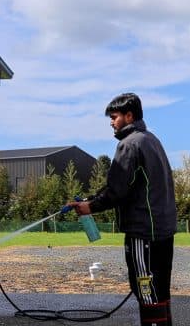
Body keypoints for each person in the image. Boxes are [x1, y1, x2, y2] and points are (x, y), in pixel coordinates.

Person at [68, 93, 177, 326]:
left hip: (144, 232)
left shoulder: (129, 145)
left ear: (129, 116)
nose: (111, 122)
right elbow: (125, 185)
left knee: (146, 291)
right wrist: (90, 199)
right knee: (160, 292)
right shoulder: (150, 140)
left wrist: (90, 206)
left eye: (114, 117)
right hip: (163, 231)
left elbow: (117, 191)